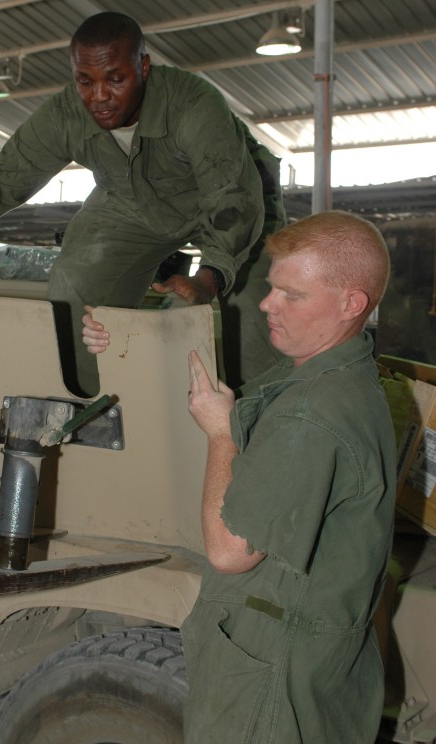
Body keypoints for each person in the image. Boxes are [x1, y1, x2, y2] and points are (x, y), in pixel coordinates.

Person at [0, 11, 285, 396]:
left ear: (143, 66)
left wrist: (210, 278)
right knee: (74, 285)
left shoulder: (194, 103)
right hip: (130, 200)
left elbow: (232, 198)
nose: (99, 96)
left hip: (236, 200)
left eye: (116, 79)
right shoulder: (64, 115)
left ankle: (257, 425)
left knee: (256, 319)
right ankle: (100, 409)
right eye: (85, 81)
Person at [179, 210, 396, 743]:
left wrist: (219, 434)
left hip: (270, 667)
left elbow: (231, 552)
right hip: (304, 651)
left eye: (291, 295)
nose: (266, 304)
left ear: (351, 304)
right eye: (272, 288)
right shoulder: (336, 373)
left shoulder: (311, 414)